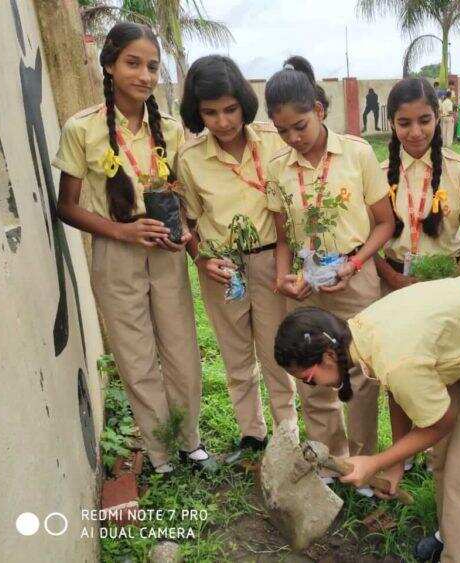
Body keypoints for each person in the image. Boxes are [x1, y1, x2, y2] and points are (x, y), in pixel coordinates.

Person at [273, 276, 460, 562]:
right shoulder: (361, 334)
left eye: (309, 380)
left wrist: (375, 462)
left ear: (327, 356)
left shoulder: (395, 357)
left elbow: (439, 423)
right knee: (443, 458)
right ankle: (449, 536)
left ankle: (457, 556)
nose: (313, 386)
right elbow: (397, 391)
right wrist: (396, 464)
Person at [53, 22, 216, 475]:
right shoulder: (82, 128)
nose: (144, 75)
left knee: (182, 350)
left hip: (166, 254)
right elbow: (66, 207)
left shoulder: (170, 130)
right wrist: (122, 232)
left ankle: (190, 441)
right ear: (109, 64)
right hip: (116, 254)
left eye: (152, 66)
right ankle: (161, 454)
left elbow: (182, 194)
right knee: (135, 354)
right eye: (133, 63)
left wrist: (186, 236)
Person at [264, 56, 395, 483]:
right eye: (282, 131)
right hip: (307, 287)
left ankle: (362, 463)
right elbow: (283, 235)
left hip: (355, 282)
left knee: (360, 372)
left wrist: (355, 264)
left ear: (319, 111)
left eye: (300, 125)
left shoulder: (356, 154)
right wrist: (285, 278)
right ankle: (329, 460)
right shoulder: (278, 170)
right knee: (310, 373)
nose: (293, 138)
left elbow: (385, 222)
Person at [176, 55, 296, 464]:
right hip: (221, 268)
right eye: (210, 112)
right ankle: (252, 435)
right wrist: (199, 260)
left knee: (276, 353)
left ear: (244, 102)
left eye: (230, 109)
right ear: (197, 112)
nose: (223, 121)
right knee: (236, 356)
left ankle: (288, 437)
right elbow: (189, 219)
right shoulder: (190, 159)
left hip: (270, 262)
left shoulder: (273, 142)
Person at [374, 77, 460, 294]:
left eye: (424, 120)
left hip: (447, 282)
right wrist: (393, 277)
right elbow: (365, 241)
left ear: (437, 116)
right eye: (404, 123)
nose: (415, 132)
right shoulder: (379, 175)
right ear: (391, 123)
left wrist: (454, 278)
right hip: (394, 285)